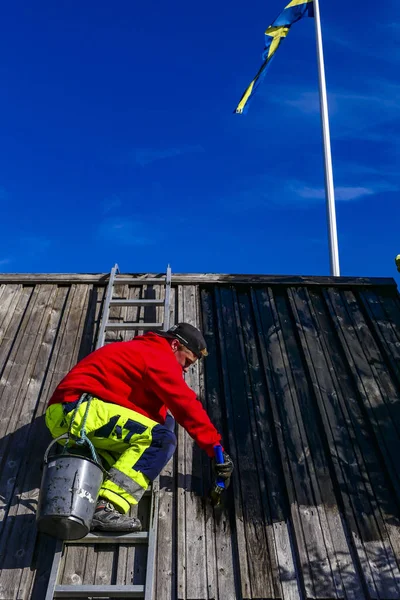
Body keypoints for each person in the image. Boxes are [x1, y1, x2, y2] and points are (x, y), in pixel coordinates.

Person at [45, 323, 234, 532]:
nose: (187, 369)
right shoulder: (157, 355)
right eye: (187, 360)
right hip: (78, 411)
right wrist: (216, 448)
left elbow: (154, 417)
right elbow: (186, 405)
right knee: (161, 440)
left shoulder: (141, 353)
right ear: (174, 345)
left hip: (72, 418)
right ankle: (105, 507)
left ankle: (90, 498)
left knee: (163, 426)